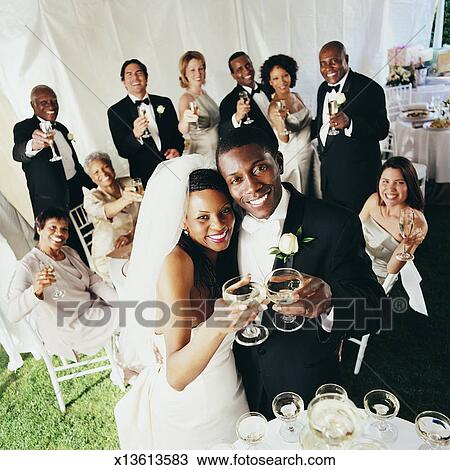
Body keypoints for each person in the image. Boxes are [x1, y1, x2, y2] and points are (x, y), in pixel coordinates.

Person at [216, 126, 387, 417]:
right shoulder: (222, 231)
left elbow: (377, 310)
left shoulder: (334, 222)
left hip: (308, 385)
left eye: (260, 168)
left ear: (279, 163)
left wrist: (330, 302)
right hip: (238, 385)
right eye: (236, 180)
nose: (252, 186)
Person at [114, 155, 257, 449]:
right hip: (193, 407)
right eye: (203, 217)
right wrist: (220, 325)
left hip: (229, 387)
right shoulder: (176, 264)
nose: (219, 225)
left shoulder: (220, 252)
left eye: (224, 212)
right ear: (183, 220)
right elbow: (176, 375)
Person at [7, 208, 119, 360]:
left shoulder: (69, 252)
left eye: (64, 229)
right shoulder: (28, 265)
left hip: (93, 309)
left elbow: (93, 281)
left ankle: (128, 363)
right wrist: (35, 290)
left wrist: (120, 302)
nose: (59, 234)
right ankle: (133, 363)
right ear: (39, 229)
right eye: (52, 227)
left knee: (132, 310)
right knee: (132, 317)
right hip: (70, 327)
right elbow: (12, 313)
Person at [12, 85, 94, 255]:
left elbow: (73, 166)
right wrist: (33, 145)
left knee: (86, 247)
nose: (50, 105)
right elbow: (18, 152)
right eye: (43, 102)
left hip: (75, 198)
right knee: (63, 253)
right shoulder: (24, 128)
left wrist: (98, 186)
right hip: (50, 205)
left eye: (53, 101)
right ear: (33, 105)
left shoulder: (61, 128)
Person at [313, 41, 390, 213]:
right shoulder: (322, 89)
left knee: (360, 228)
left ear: (346, 59)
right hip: (330, 178)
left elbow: (382, 129)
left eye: (334, 61)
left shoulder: (370, 88)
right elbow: (322, 124)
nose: (328, 68)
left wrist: (350, 124)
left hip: (359, 180)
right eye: (323, 64)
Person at [107, 59, 184, 188]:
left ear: (146, 78)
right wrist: (135, 135)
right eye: (129, 74)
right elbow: (123, 151)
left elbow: (178, 135)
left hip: (174, 167)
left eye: (139, 73)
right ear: (123, 82)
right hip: (145, 176)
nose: (135, 77)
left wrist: (177, 150)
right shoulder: (115, 111)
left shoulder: (165, 102)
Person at [359, 157, 427, 284]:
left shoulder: (415, 222)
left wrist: (407, 245)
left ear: (410, 185)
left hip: (376, 278)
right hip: (353, 262)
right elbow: (352, 232)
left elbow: (392, 269)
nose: (391, 189)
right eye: (385, 181)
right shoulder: (374, 200)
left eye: (399, 182)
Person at [260, 54, 319, 195]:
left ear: (291, 75)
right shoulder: (274, 107)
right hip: (294, 160)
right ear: (270, 82)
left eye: (285, 75)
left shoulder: (296, 96)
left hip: (310, 154)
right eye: (276, 78)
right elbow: (284, 139)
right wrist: (281, 121)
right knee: (299, 196)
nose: (282, 81)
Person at [83, 152, 143, 286]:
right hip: (109, 257)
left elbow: (144, 214)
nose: (103, 173)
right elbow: (106, 212)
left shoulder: (129, 182)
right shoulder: (91, 198)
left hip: (135, 246)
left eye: (105, 167)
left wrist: (131, 235)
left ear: (112, 168)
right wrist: (125, 199)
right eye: (96, 172)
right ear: (92, 178)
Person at [219, 51, 275, 143]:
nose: (246, 70)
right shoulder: (228, 101)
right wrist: (237, 117)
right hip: (262, 151)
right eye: (239, 69)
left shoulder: (270, 88)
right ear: (233, 75)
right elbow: (224, 133)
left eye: (248, 65)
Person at [177, 51, 220, 160]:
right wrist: (185, 120)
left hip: (216, 151)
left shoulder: (204, 94)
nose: (198, 73)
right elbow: (183, 128)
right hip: (202, 155)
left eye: (201, 68)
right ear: (184, 73)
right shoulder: (186, 98)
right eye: (192, 70)